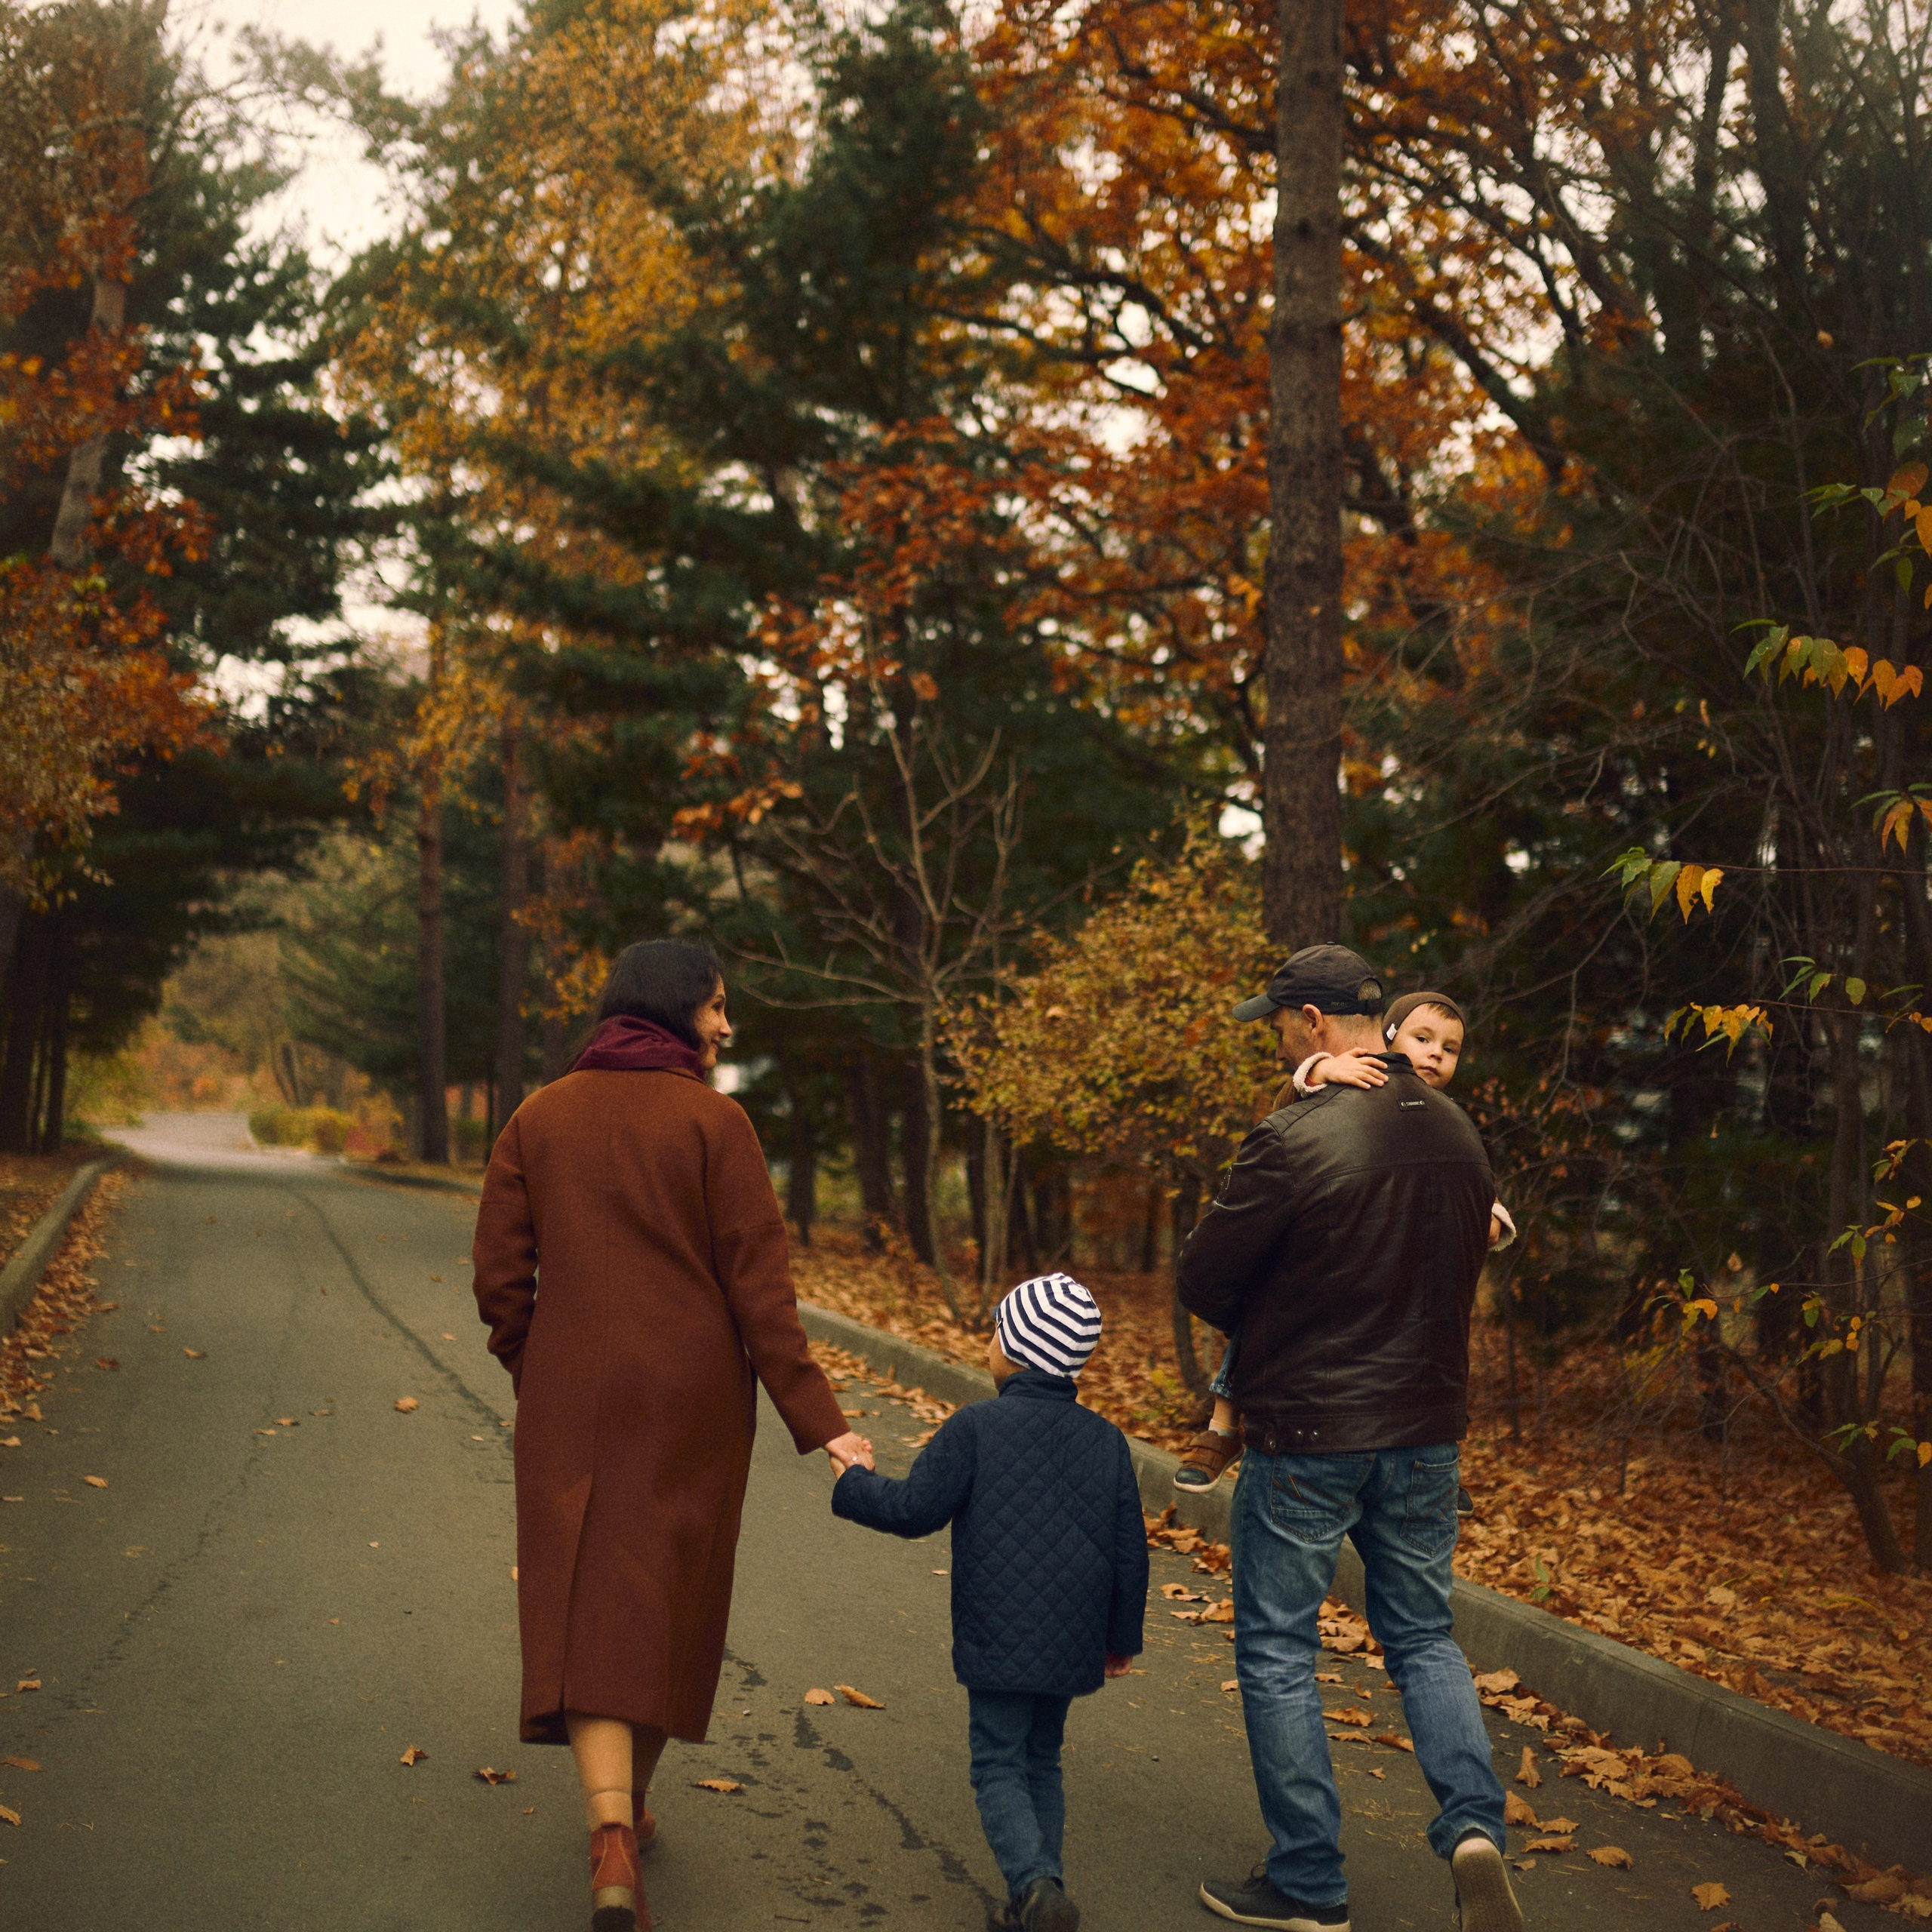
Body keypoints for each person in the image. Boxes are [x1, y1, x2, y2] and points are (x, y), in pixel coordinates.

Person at [471, 940, 872, 1932]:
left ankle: (610, 1828)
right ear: (673, 1010)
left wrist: (542, 1363)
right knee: (664, 1600)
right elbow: (761, 1295)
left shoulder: (539, 1117)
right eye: (717, 1007)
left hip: (570, 1390)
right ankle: (631, 1811)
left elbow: (497, 1280)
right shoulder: (715, 1124)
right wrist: (825, 1425)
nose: (727, 1025)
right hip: (692, 1398)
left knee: (587, 1598)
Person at [1177, 944, 1524, 1932]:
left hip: (1310, 1431)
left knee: (1280, 1644)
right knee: (1422, 1635)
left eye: (1281, 1022)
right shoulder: (1462, 1135)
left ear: (1314, 1024)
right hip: (1425, 1431)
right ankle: (1473, 1829)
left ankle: (1307, 1882)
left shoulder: (1295, 1134)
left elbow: (1206, 1279)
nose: (1279, 1036)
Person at [829, 1273, 1149, 1932]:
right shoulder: (1107, 1441)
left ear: (1019, 1349)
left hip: (999, 1630)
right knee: (1041, 1758)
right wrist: (1121, 1637)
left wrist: (855, 1481)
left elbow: (916, 1510)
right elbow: (1129, 1552)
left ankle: (1035, 1886)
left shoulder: (977, 1427)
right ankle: (1039, 1894)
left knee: (998, 1760)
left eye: (998, 1331)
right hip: (1074, 1634)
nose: (991, 1345)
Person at [1175, 989, 1517, 1494]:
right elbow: (1304, 1112)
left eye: (1450, 1048)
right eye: (1424, 1039)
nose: (1436, 1054)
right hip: (1346, 1278)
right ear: (1389, 1038)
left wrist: (1481, 1220)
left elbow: (1484, 1205)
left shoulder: (1452, 1124)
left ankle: (1432, 1456)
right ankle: (1224, 1422)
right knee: (1267, 1292)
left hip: (1407, 1293)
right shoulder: (1356, 1083)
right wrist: (1318, 1072)